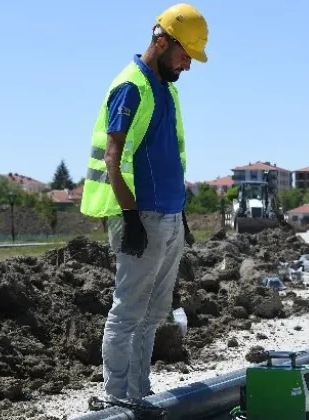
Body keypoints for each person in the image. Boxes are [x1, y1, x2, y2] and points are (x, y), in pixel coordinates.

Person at [78, 3, 209, 404]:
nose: (187, 65)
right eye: (185, 54)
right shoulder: (131, 86)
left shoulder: (165, 88)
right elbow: (113, 158)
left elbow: (168, 155)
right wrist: (130, 217)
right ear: (162, 41)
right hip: (143, 217)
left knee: (153, 316)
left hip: (167, 215)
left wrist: (180, 211)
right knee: (128, 314)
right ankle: (118, 400)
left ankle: (140, 394)